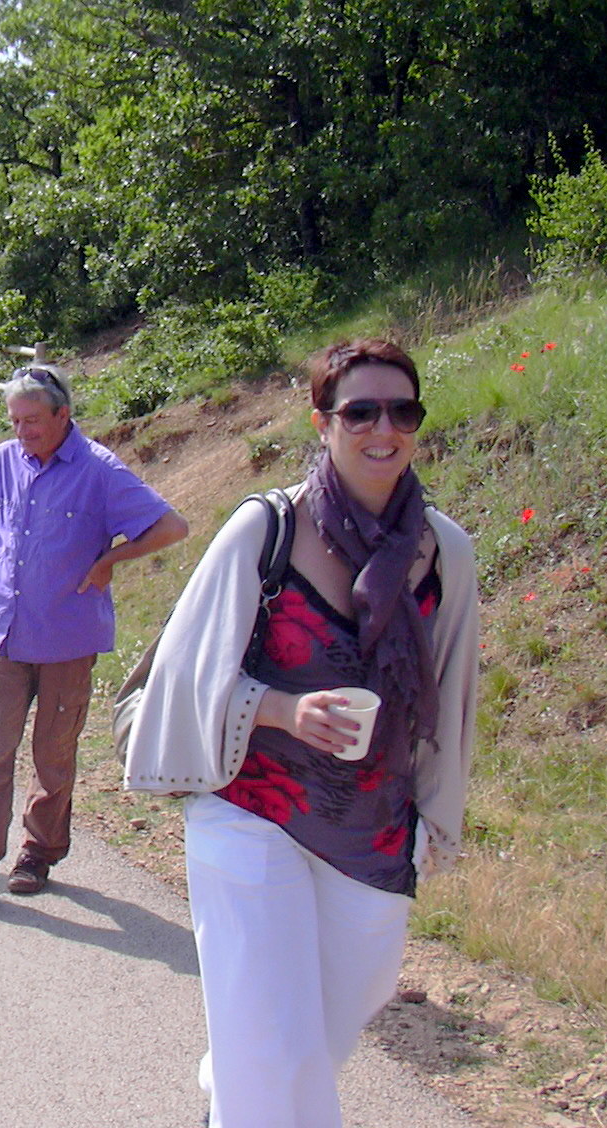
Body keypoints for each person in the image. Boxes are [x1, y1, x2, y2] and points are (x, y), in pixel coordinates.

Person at [120, 339, 480, 1127]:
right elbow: (185, 677)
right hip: (251, 808)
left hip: (373, 828)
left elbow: (451, 699)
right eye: (359, 411)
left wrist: (431, 816)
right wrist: (283, 711)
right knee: (279, 1057)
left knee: (323, 1027)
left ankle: (239, 1082)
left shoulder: (445, 551)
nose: (383, 427)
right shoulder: (268, 530)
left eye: (403, 410)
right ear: (322, 421)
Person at [0, 363, 189, 908]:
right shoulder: (6, 459)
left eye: (33, 420)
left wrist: (112, 559)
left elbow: (173, 526)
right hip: (7, 635)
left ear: (63, 415)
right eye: (15, 421)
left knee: (53, 756)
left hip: (68, 639)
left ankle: (38, 853)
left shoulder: (100, 469)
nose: (23, 432)